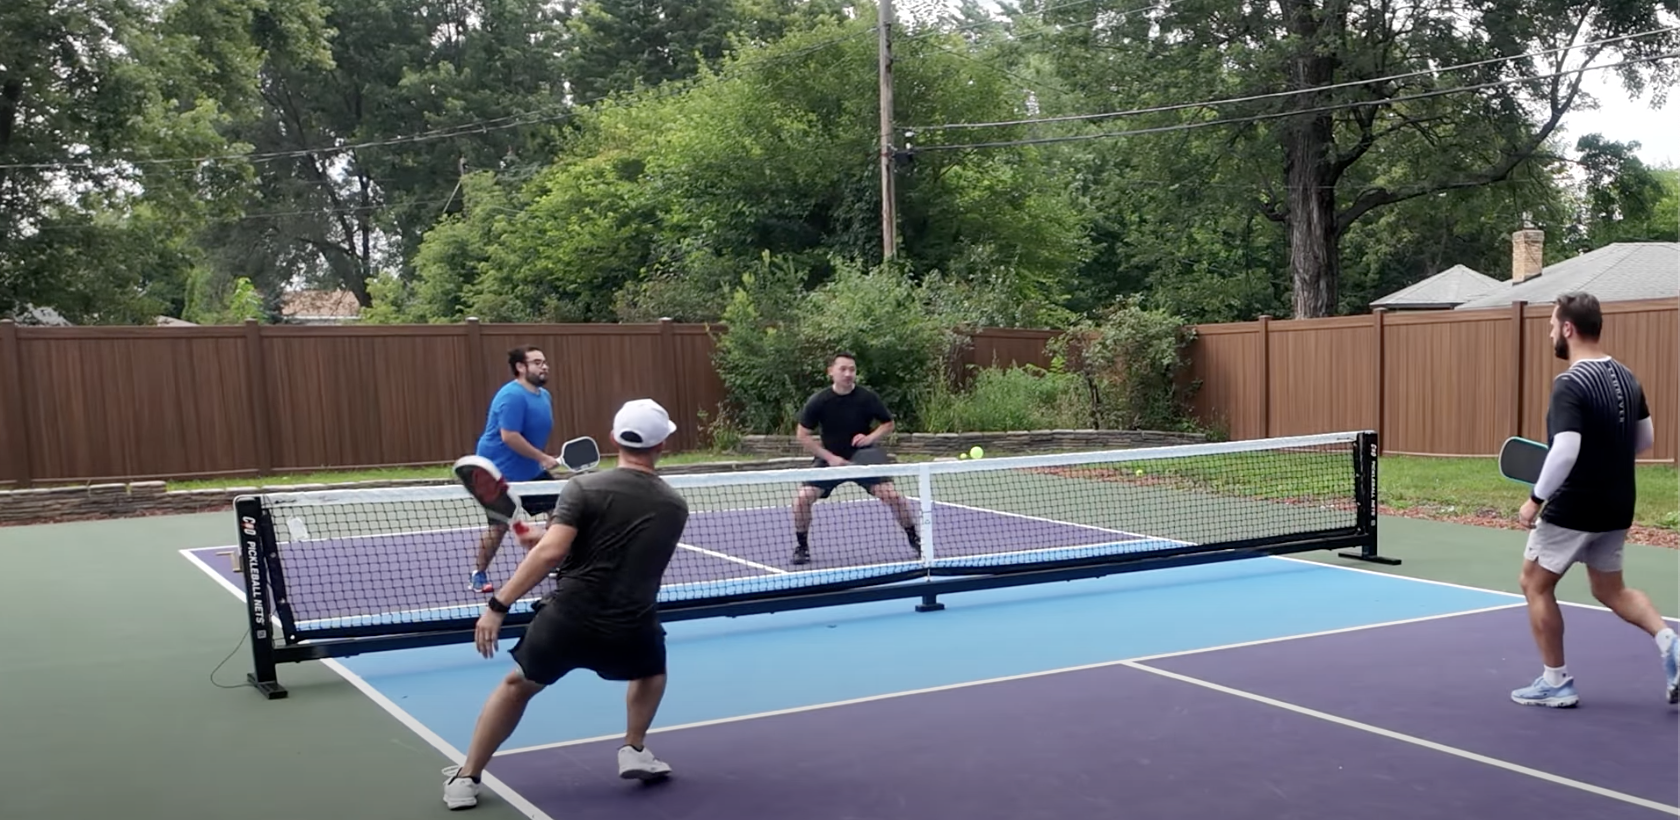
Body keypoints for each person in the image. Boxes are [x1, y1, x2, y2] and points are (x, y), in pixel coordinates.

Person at [442, 398, 689, 810]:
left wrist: (498, 605)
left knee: (516, 686)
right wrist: (542, 535)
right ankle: (633, 747)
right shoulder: (673, 505)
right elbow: (613, 545)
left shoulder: (582, 487)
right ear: (661, 444)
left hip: (570, 616)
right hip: (633, 621)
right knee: (651, 671)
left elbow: (556, 551)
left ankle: (467, 777)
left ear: (613, 439)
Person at [1511, 292, 1678, 709]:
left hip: (1576, 506)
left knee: (1534, 583)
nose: (1550, 332)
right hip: (1618, 504)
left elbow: (1565, 450)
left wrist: (1535, 499)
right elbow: (1644, 441)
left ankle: (1555, 682)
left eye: (1552, 325)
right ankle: (1670, 642)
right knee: (1610, 588)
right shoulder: (1627, 377)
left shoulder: (1569, 384)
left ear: (1568, 328)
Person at [790, 352, 919, 565]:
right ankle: (802, 547)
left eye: (852, 369)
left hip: (864, 457)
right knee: (802, 499)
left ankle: (915, 540)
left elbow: (888, 424)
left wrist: (870, 438)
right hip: (830, 458)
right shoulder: (819, 401)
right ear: (830, 372)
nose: (848, 374)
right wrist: (830, 458)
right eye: (843, 369)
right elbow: (802, 435)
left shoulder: (867, 397)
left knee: (894, 497)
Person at [469, 346, 557, 593]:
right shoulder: (512, 396)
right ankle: (479, 574)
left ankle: (548, 559)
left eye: (545, 361)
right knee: (498, 526)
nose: (544, 366)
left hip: (530, 471)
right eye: (537, 362)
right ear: (521, 367)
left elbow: (534, 432)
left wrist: (540, 460)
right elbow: (509, 436)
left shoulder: (544, 396)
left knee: (561, 512)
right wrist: (543, 457)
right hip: (498, 474)